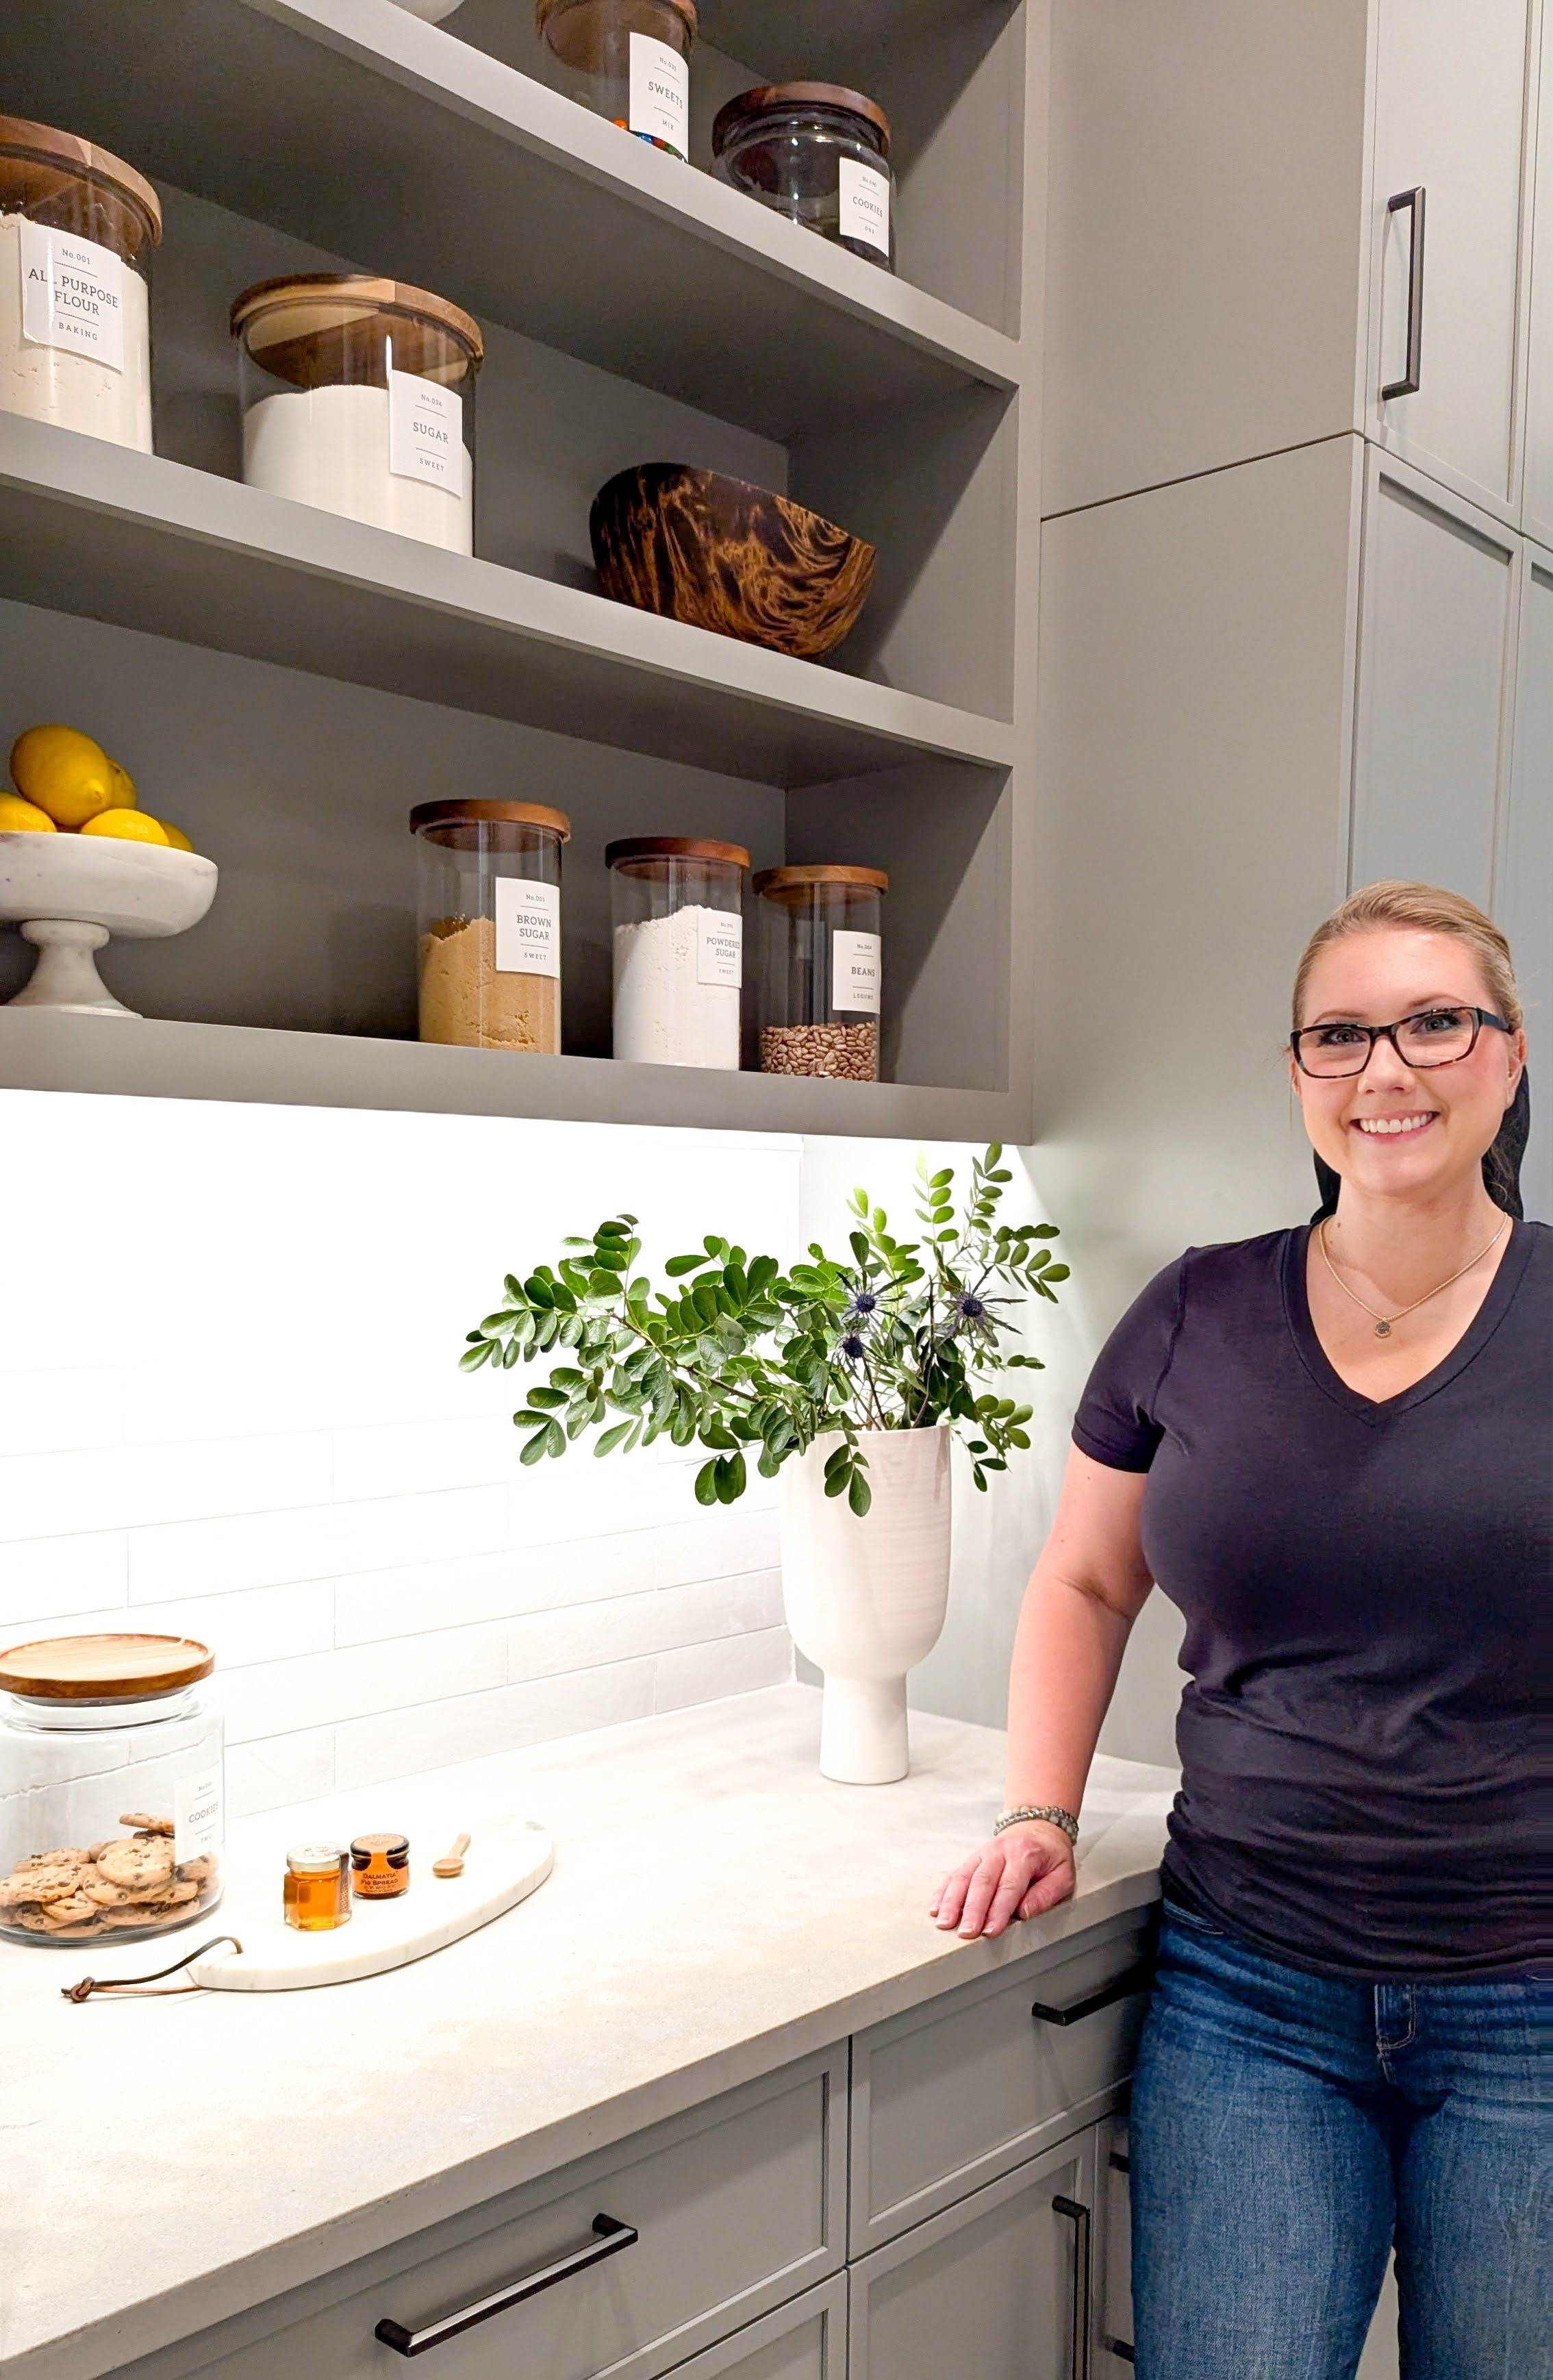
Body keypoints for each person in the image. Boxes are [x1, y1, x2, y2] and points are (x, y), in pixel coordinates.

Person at [929, 881, 1549, 2379]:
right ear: (1297, 1071)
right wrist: (1038, 1809)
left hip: (1533, 1997)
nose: (1385, 1070)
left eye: (1435, 1024)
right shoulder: (1195, 1309)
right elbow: (1086, 1581)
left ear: (1511, 1054)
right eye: (1341, 1034)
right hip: (1249, 1989)